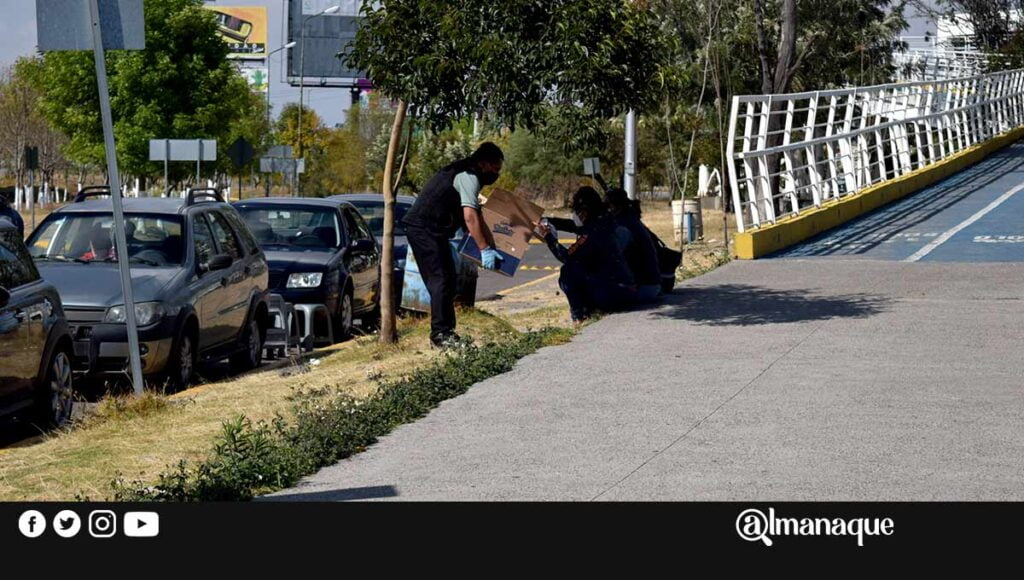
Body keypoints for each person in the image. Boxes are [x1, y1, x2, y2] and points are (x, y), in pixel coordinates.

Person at [403, 142, 505, 347]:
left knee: (447, 277)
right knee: (440, 278)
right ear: (483, 163)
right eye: (495, 169)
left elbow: (476, 215)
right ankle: (440, 335)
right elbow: (469, 217)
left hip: (432, 230)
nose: (496, 174)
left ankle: (446, 332)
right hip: (423, 228)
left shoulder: (466, 172)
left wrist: (491, 245)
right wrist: (484, 249)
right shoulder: (468, 176)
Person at [536, 186, 636, 324]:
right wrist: (550, 221)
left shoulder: (591, 234)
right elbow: (575, 226)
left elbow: (565, 257)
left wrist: (548, 236)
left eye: (576, 211)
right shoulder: (605, 222)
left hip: (613, 295)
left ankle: (579, 317)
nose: (575, 215)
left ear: (584, 213)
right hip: (626, 290)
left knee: (568, 272)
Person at [604, 188, 662, 303]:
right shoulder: (632, 219)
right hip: (651, 285)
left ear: (615, 207)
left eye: (607, 205)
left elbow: (611, 255)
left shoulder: (622, 228)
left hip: (643, 288)